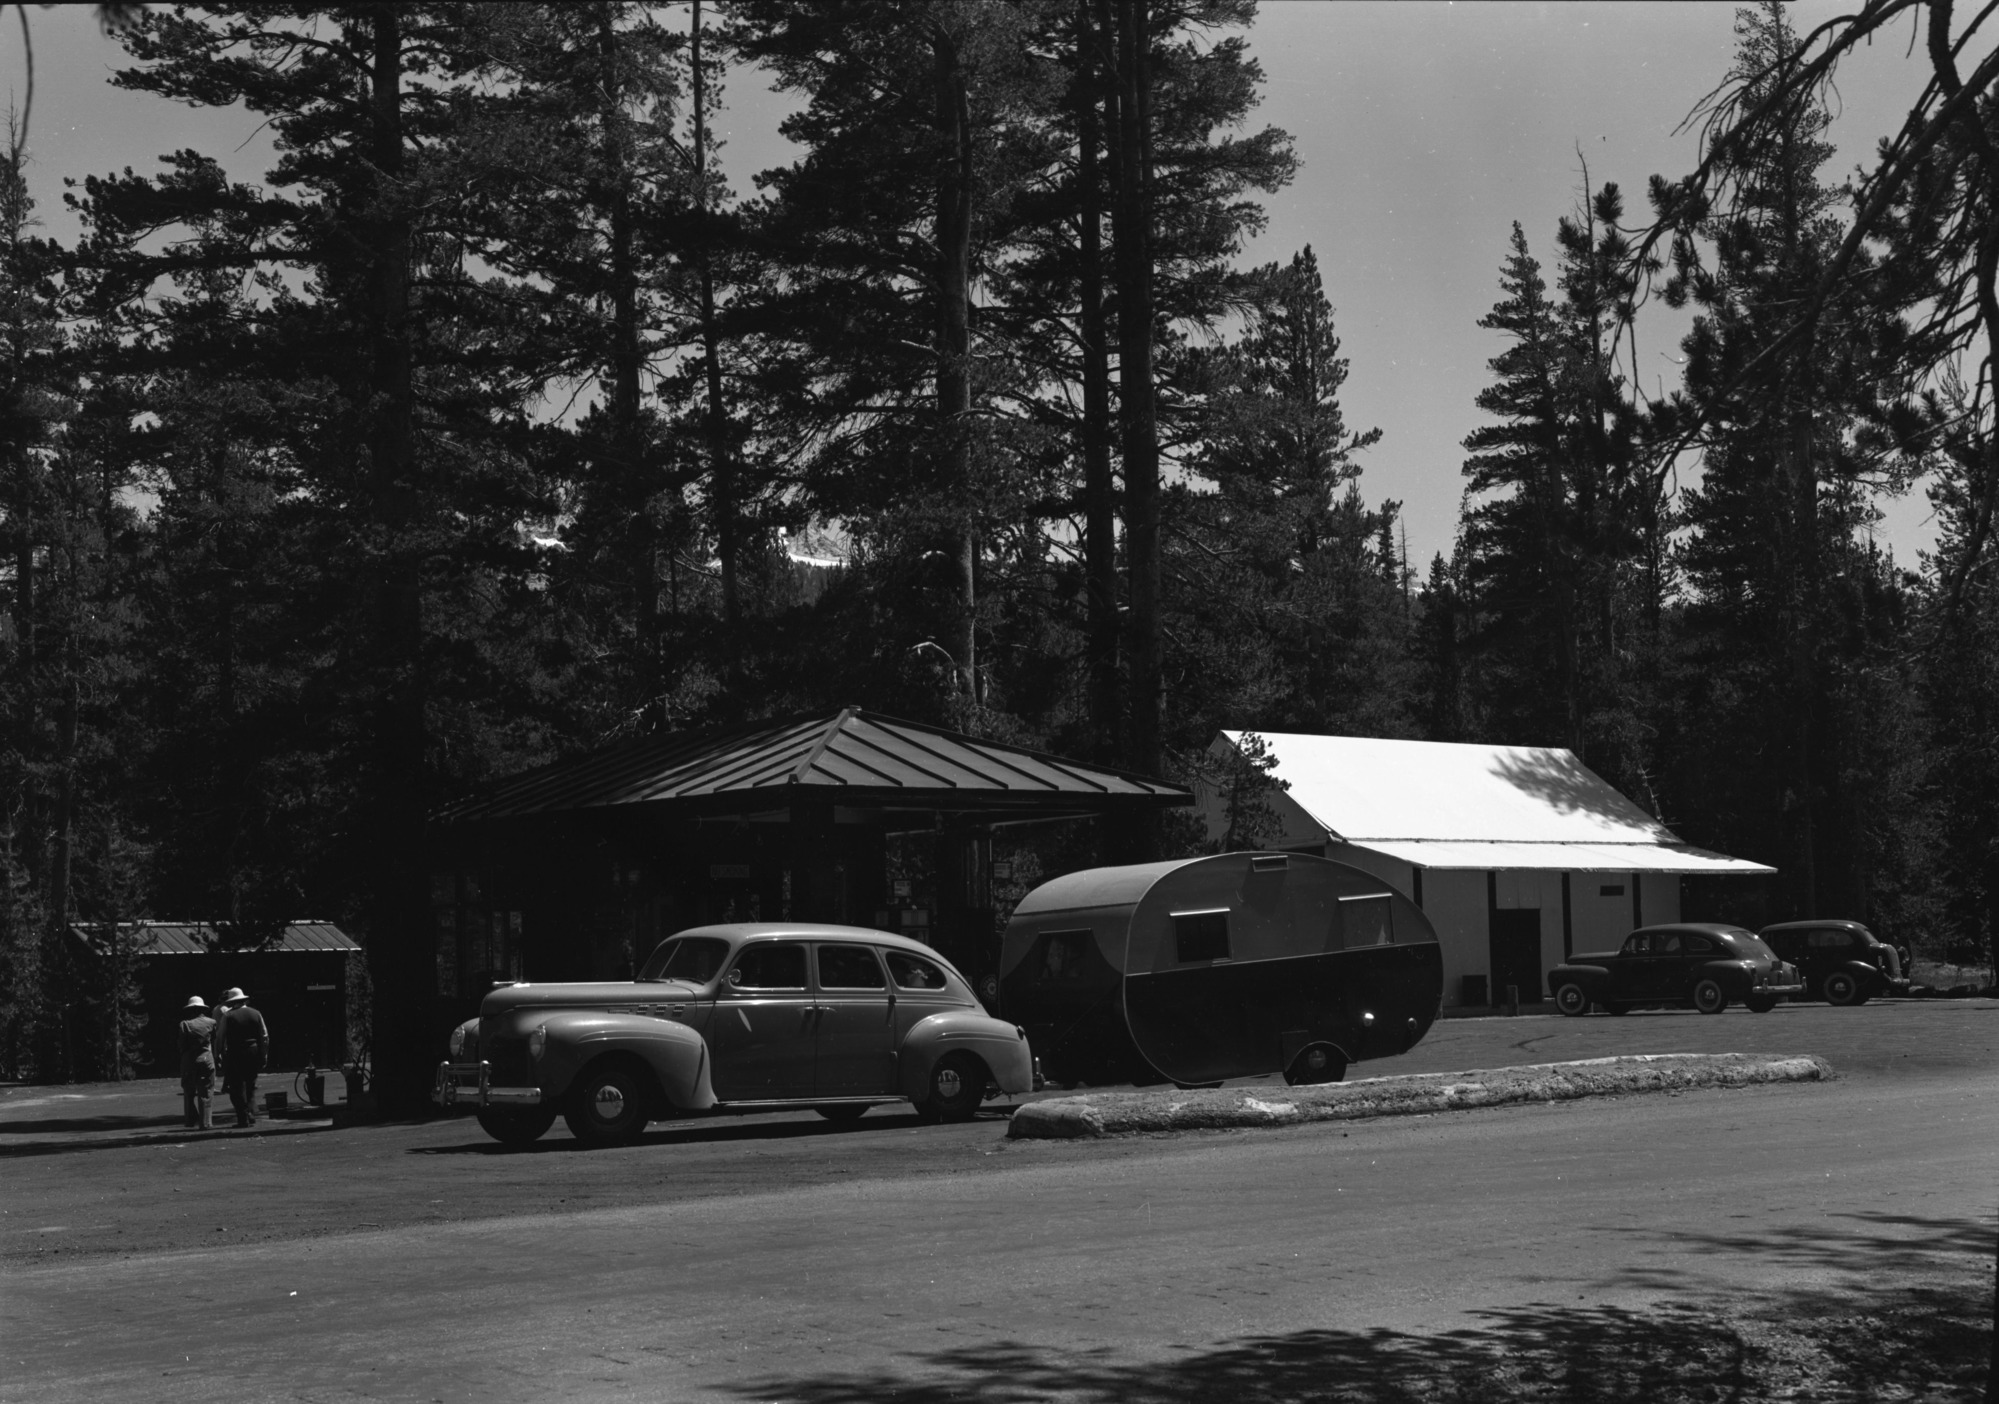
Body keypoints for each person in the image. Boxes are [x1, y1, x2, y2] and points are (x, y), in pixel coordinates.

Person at [213, 987, 270, 1128]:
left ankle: (243, 1118)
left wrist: (217, 1054)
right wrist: (264, 1055)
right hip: (253, 1051)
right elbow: (264, 1037)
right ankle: (250, 1114)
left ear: (232, 1002)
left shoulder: (228, 1016)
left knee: (236, 1088)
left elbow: (220, 1037)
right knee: (250, 1085)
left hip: (235, 1053)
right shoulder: (256, 1013)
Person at [177, 996, 217, 1130]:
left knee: (188, 1091)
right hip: (206, 1059)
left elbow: (182, 1045)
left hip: (189, 1060)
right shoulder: (211, 1022)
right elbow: (214, 1041)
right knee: (205, 1090)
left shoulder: (185, 1024)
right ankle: (205, 1122)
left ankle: (190, 1120)